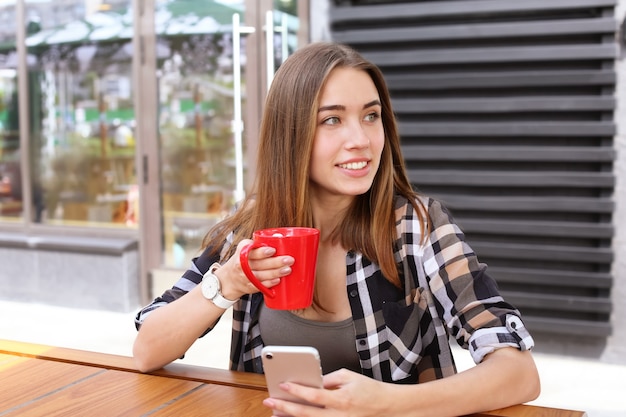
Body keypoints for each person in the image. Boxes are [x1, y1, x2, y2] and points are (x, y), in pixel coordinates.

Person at [133, 42, 540, 416]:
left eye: (371, 115)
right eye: (332, 120)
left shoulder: (417, 225)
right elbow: (147, 350)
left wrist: (389, 406)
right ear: (290, 135)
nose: (360, 139)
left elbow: (519, 373)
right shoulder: (252, 228)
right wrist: (227, 283)